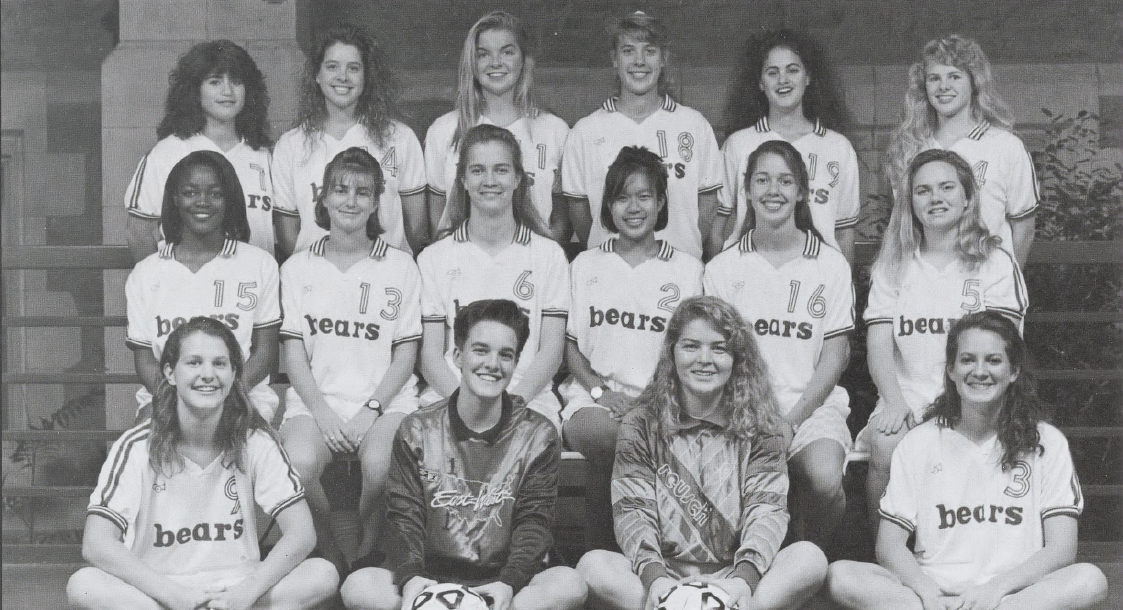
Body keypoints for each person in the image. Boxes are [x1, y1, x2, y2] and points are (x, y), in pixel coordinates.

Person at [827, 312, 1108, 610]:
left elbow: (1062, 548)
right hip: (936, 594)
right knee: (841, 575)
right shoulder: (920, 442)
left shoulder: (1046, 441)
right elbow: (890, 546)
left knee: (1090, 580)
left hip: (1011, 596)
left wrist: (996, 590)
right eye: (968, 360)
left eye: (994, 360)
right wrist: (929, 594)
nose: (980, 371)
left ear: (1013, 371)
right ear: (951, 370)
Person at [67, 317, 338, 610]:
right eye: (194, 363)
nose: (207, 374)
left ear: (235, 374)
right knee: (83, 585)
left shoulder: (256, 440)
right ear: (170, 373)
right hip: (161, 591)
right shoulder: (135, 446)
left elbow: (301, 533)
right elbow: (96, 542)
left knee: (322, 574)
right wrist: (174, 596)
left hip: (236, 589)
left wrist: (246, 593)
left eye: (220, 364)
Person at [577, 296, 827, 610]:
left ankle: (723, 604)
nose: (704, 359)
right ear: (672, 353)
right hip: (666, 574)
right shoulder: (640, 422)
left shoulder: (763, 425)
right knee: (592, 565)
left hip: (733, 574)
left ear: (736, 358)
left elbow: (766, 511)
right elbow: (633, 510)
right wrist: (656, 579)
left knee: (809, 558)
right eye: (691, 346)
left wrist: (741, 580)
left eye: (719, 348)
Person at [341, 299, 587, 610]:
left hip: (500, 583)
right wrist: (413, 579)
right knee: (358, 586)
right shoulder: (416, 429)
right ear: (458, 355)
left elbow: (534, 524)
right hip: (433, 579)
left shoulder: (538, 434)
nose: (493, 364)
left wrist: (509, 583)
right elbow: (404, 519)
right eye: (481, 350)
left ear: (514, 363)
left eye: (505, 355)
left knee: (569, 584)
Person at [859, 148, 1028, 532]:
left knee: (968, 445)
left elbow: (1005, 350)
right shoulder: (893, 263)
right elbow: (879, 346)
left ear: (968, 196)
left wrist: (963, 406)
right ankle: (887, 558)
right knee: (887, 443)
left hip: (978, 398)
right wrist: (895, 403)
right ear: (910, 202)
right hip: (909, 397)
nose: (936, 198)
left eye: (947, 187)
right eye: (923, 191)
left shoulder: (996, 261)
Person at [278, 148, 422, 572]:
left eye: (363, 192)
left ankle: (364, 545)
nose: (350, 201)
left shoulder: (400, 266)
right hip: (316, 402)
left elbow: (406, 353)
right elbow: (293, 354)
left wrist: (370, 411)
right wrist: (322, 413)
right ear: (322, 198)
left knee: (380, 467)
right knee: (299, 464)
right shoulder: (298, 267)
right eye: (340, 190)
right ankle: (329, 548)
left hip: (384, 404)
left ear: (377, 202)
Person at [705, 139, 854, 547]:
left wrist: (791, 420)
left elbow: (835, 355)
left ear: (802, 191)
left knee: (824, 479)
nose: (774, 190)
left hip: (811, 408)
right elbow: (716, 358)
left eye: (786, 181)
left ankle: (812, 560)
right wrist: (754, 413)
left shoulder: (830, 264)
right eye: (763, 180)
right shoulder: (722, 269)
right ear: (747, 191)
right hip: (741, 408)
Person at [561, 146, 704, 551]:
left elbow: (694, 354)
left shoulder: (688, 270)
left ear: (660, 203)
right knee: (618, 435)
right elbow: (570, 349)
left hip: (666, 403)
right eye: (622, 197)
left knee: (646, 434)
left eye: (644, 196)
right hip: (593, 402)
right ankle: (606, 554)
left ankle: (643, 560)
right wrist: (600, 393)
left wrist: (653, 399)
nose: (633, 207)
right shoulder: (585, 266)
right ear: (608, 206)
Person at [418, 124, 569, 430]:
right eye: (477, 170)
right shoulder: (434, 258)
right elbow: (431, 356)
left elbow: (551, 352)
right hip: (450, 398)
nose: (489, 181)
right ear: (462, 179)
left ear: (518, 178)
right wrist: (465, 405)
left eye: (501, 170)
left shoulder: (549, 256)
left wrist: (509, 407)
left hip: (527, 400)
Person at [125, 151, 281, 422]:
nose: (202, 202)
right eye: (190, 192)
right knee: (146, 449)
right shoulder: (146, 272)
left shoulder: (259, 264)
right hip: (167, 397)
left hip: (240, 396)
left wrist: (221, 398)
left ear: (229, 200)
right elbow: (145, 361)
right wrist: (183, 402)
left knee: (244, 450)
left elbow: (265, 353)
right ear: (175, 198)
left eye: (215, 194)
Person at [562, 10, 723, 261]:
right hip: (608, 272)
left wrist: (679, 255)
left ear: (663, 59)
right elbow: (581, 215)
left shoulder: (694, 125)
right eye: (628, 51)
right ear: (614, 59)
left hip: (679, 274)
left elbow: (708, 204)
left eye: (649, 51)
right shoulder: (585, 131)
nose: (639, 61)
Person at [273, 24, 427, 257]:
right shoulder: (291, 144)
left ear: (366, 76)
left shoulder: (400, 137)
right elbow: (287, 234)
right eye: (332, 66)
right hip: (316, 277)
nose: (342, 76)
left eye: (353, 68)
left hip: (385, 275)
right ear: (317, 74)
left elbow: (416, 227)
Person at [886, 35, 1037, 267]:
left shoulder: (1006, 146)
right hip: (926, 286)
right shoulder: (910, 147)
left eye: (954, 76)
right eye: (934, 78)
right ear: (924, 86)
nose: (943, 86)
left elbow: (1024, 229)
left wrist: (1005, 285)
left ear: (974, 82)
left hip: (985, 290)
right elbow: (901, 229)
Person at [425, 10, 571, 242]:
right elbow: (436, 214)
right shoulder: (443, 130)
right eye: (483, 54)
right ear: (472, 63)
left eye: (507, 52)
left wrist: (545, 254)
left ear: (523, 60)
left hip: (533, 265)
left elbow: (563, 215)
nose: (495, 63)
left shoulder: (554, 130)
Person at [124, 40, 277, 260]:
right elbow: (139, 233)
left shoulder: (264, 155)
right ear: (195, 90)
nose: (227, 91)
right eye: (215, 82)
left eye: (236, 81)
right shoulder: (168, 152)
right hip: (189, 287)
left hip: (252, 289)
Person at [716, 29, 859, 263]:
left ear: (808, 77)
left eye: (793, 70)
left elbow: (844, 235)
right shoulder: (738, 144)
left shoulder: (838, 147)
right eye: (772, 73)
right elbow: (718, 229)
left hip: (817, 275)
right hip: (749, 272)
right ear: (761, 83)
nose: (783, 80)